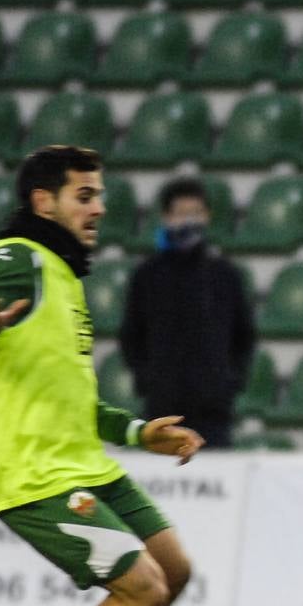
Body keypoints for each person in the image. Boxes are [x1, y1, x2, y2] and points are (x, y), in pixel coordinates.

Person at [0, 145, 205, 606]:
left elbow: (75, 396)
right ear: (42, 202)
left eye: (100, 195)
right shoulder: (14, 260)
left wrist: (138, 434)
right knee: (144, 589)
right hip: (36, 474)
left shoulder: (61, 275)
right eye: (86, 195)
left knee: (175, 570)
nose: (99, 207)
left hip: (86, 465)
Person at [119, 177, 256, 448]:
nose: (189, 221)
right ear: (166, 217)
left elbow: (244, 336)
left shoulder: (224, 275)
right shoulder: (147, 276)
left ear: (207, 216)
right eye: (181, 214)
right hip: (162, 408)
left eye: (195, 213)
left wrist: (229, 381)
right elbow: (131, 335)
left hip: (214, 412)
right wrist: (148, 380)